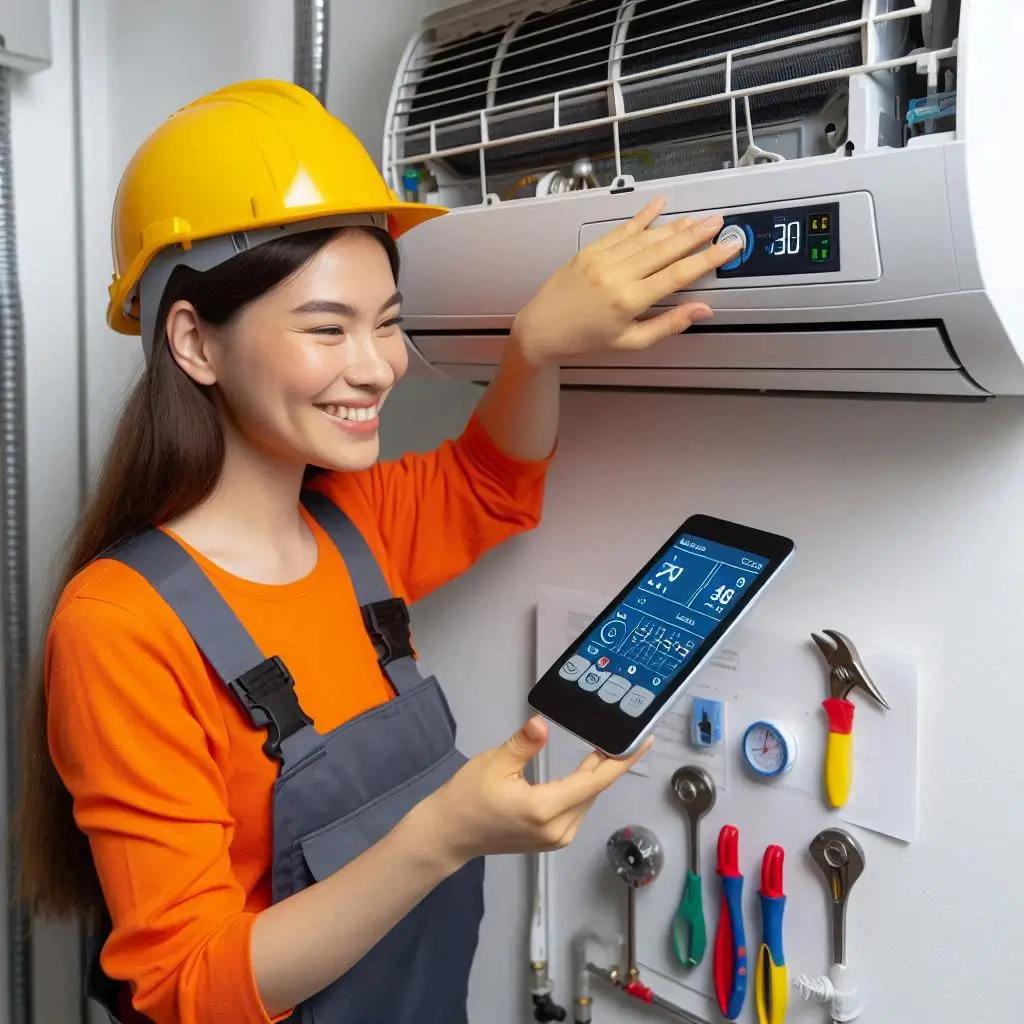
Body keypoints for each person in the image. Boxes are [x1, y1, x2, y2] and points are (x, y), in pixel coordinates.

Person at [15, 80, 742, 1024]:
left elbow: (491, 482)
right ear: (194, 342)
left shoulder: (355, 524)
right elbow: (187, 988)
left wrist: (538, 346)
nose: (377, 366)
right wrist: (438, 836)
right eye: (328, 328)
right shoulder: (119, 628)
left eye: (388, 322)